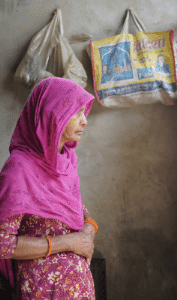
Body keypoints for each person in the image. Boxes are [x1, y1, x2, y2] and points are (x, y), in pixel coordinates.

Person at [0, 77, 97, 299]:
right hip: (42, 290)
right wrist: (69, 242)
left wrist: (90, 229)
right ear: (52, 115)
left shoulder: (67, 161)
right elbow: (3, 244)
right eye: (77, 113)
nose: (85, 121)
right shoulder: (19, 169)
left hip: (79, 288)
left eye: (84, 112)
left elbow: (77, 208)